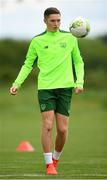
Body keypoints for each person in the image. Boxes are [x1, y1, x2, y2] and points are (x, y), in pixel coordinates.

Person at [10, 7, 84, 175]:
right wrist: (17, 83)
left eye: (58, 20)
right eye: (52, 20)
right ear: (45, 21)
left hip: (65, 88)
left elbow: (78, 62)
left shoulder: (70, 38)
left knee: (63, 130)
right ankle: (49, 164)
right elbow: (28, 64)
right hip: (45, 88)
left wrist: (79, 82)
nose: (56, 24)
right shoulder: (36, 41)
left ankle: (56, 158)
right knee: (48, 126)